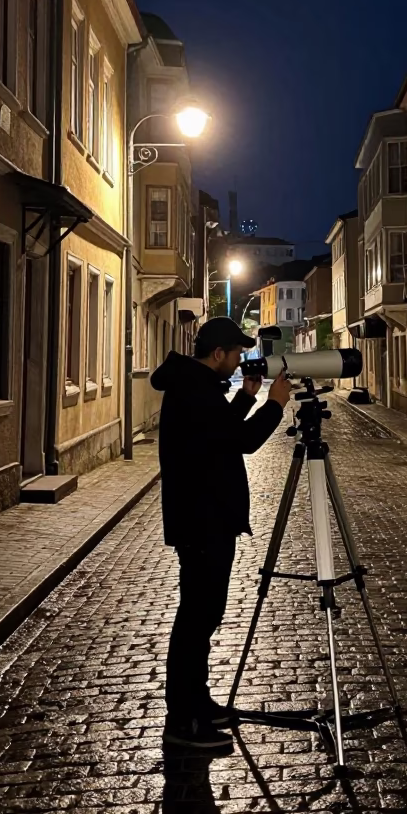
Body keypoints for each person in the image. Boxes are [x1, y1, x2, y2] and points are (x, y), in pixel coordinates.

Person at [151, 317, 293, 751]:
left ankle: (198, 703)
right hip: (202, 521)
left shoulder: (195, 386)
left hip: (204, 518)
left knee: (202, 617)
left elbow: (219, 437)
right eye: (235, 355)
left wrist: (246, 398)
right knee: (196, 620)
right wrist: (273, 405)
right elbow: (242, 442)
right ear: (218, 354)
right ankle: (184, 720)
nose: (238, 362)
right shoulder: (195, 391)